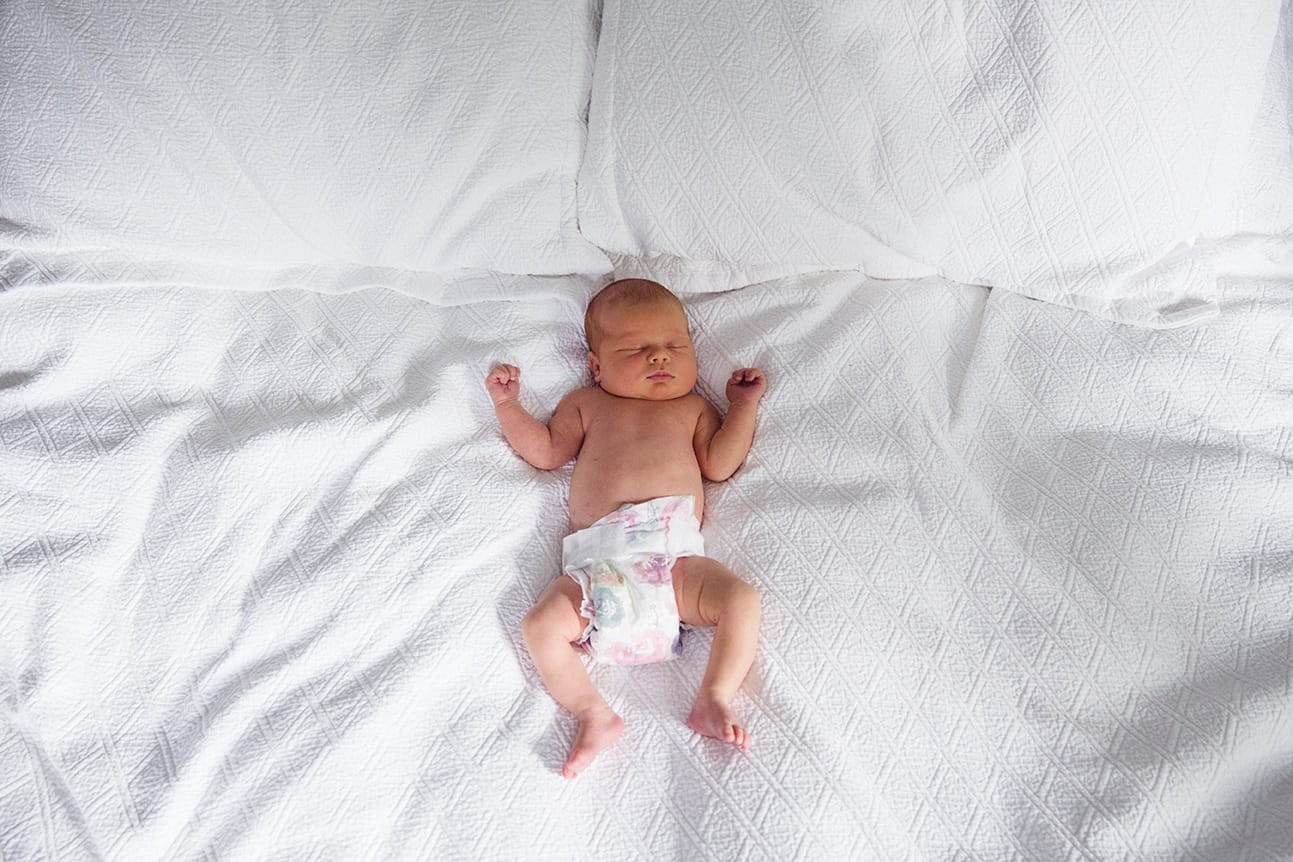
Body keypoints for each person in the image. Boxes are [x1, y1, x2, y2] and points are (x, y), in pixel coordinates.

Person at [485, 278, 767, 778]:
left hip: (674, 562)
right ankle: (593, 713)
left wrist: (742, 408)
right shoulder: (586, 405)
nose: (660, 358)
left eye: (675, 346)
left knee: (741, 600)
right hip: (599, 566)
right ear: (596, 366)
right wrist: (509, 408)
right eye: (637, 349)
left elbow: (720, 464)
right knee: (540, 626)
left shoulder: (693, 409)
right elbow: (547, 452)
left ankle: (715, 697)